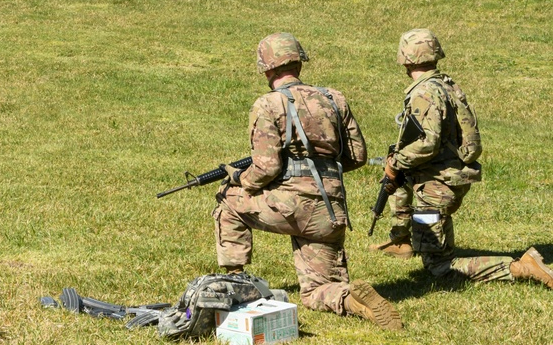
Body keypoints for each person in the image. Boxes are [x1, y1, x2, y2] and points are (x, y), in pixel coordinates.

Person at [213, 33, 403, 330]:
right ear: (298, 63)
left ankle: (234, 281)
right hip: (331, 213)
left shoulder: (268, 104)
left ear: (266, 69)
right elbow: (357, 156)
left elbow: (266, 168)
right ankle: (356, 301)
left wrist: (240, 178)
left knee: (227, 200)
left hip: (290, 207)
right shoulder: (333, 98)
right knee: (316, 291)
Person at [381, 29, 553, 288]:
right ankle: (405, 240)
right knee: (431, 230)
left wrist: (395, 163)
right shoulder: (446, 84)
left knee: (438, 267)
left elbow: (428, 143)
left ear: (405, 58)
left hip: (435, 185)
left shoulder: (424, 93)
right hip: (448, 178)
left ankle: (519, 267)